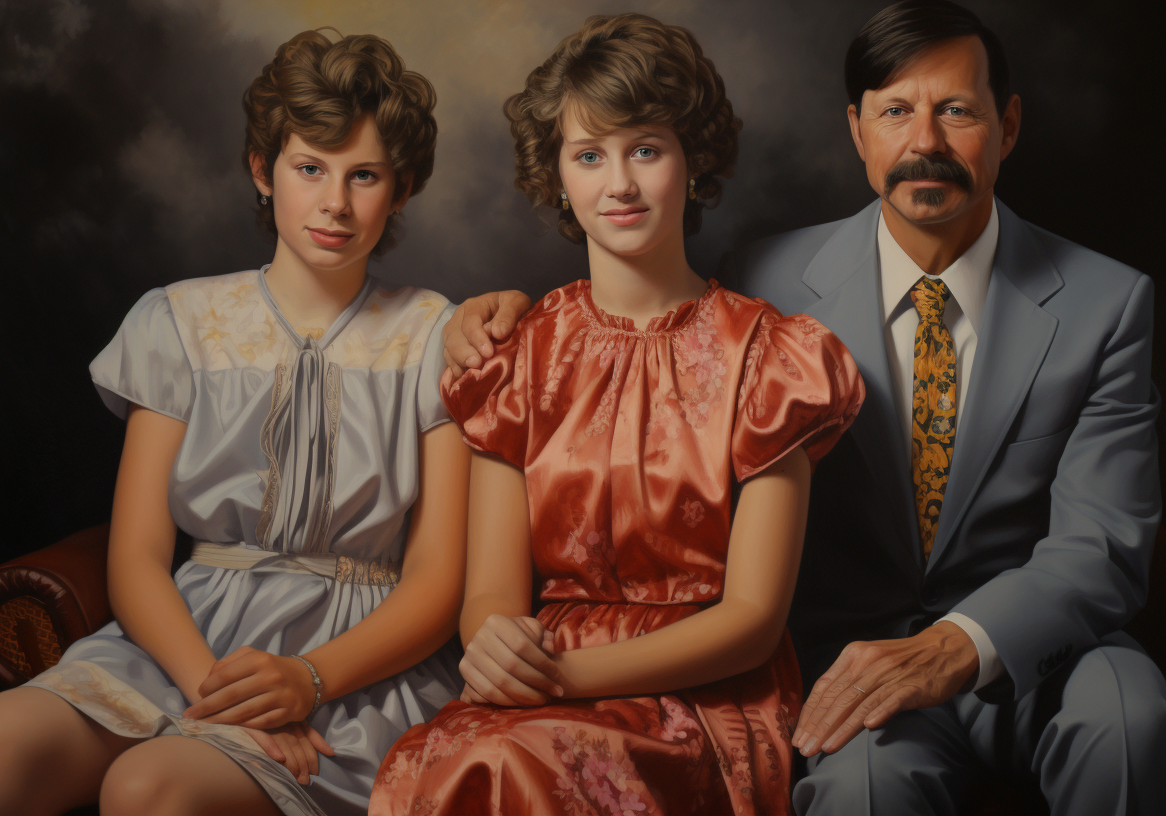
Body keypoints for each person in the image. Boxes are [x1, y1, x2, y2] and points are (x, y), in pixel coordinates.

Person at [441, 2, 1166, 814]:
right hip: (847, 657)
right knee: (862, 788)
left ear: (1007, 125)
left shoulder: (1106, 302)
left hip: (1043, 652)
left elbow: (1103, 547)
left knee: (1133, 721)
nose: (926, 143)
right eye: (897, 112)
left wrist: (958, 645)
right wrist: (495, 314)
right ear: (857, 130)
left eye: (956, 111)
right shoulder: (765, 280)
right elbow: (650, 317)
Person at [0, 30, 468, 816]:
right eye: (309, 168)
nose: (335, 202)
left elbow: (437, 580)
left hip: (354, 666)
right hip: (181, 641)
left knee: (150, 788)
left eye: (365, 176)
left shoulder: (435, 336)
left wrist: (307, 681)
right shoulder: (179, 320)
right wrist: (216, 693)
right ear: (263, 170)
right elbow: (139, 556)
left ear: (401, 188)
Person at [368, 14, 862, 816]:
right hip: (537, 685)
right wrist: (496, 643)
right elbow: (492, 595)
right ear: (557, 176)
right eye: (589, 155)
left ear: (692, 163)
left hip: (702, 694)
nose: (619, 183)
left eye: (646, 149)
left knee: (502, 764)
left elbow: (752, 621)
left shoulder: (769, 356)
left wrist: (564, 677)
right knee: (448, 758)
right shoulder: (517, 356)